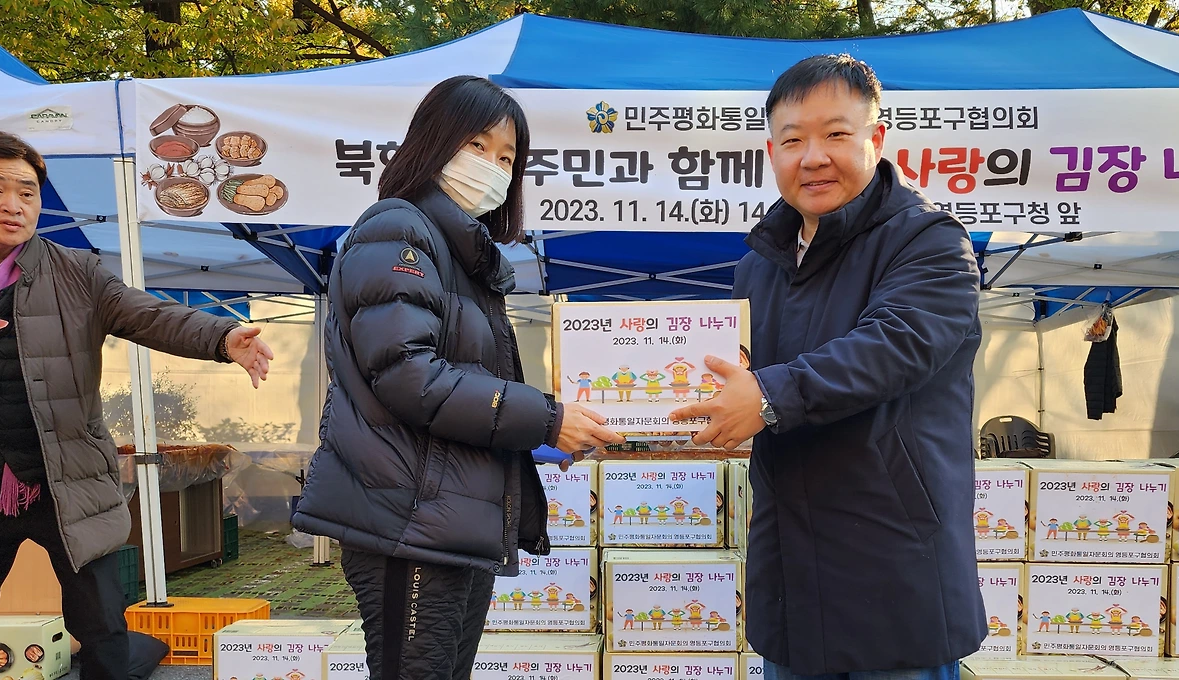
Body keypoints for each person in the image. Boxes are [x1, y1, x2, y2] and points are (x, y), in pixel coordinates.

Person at [291, 76, 622, 680]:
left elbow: (456, 384)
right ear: (435, 140)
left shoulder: (462, 253)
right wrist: (545, 418)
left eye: (507, 158)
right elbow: (407, 374)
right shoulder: (398, 229)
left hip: (445, 518)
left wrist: (537, 434)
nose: (492, 167)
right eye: (477, 145)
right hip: (405, 519)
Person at [670, 55, 985, 678]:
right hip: (789, 573)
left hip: (894, 568)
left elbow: (893, 344)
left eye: (836, 134)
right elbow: (740, 382)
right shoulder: (759, 264)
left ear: (877, 137)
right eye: (793, 141)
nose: (813, 157)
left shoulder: (928, 241)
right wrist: (642, 421)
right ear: (772, 152)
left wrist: (764, 398)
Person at [0, 130, 274, 680]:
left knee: (102, 630)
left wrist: (223, 338)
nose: (13, 205)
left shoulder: (75, 272)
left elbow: (149, 314)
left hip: (68, 479)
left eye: (27, 193)